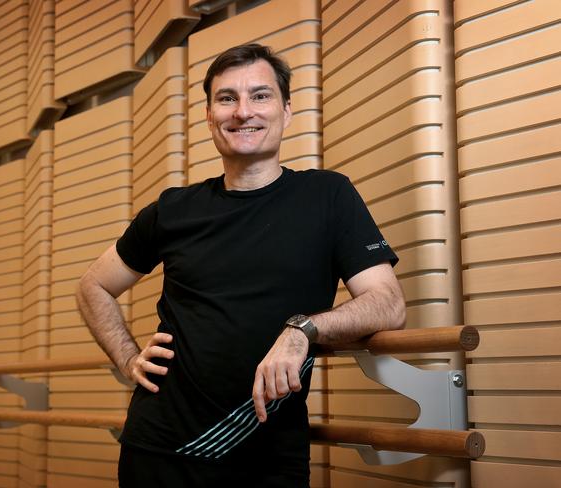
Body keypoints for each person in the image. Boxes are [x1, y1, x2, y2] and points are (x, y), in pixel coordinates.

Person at [76, 43, 405, 487]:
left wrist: (301, 330)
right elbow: (93, 286)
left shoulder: (328, 197)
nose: (242, 111)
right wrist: (128, 358)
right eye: (226, 98)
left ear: (286, 111)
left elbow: (387, 303)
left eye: (261, 95)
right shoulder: (173, 209)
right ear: (209, 115)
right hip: (158, 450)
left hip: (268, 454)